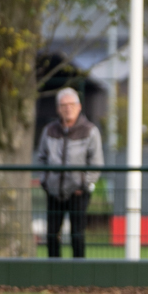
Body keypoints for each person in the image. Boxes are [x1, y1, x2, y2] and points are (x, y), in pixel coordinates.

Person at [35, 88, 105, 258]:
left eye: (71, 104)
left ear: (79, 106)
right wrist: (45, 182)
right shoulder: (49, 130)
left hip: (78, 193)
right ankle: (53, 273)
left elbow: (96, 163)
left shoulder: (90, 131)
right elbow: (41, 158)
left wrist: (85, 184)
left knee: (77, 235)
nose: (68, 108)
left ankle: (78, 276)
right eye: (63, 105)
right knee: (52, 235)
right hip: (53, 192)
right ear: (58, 108)